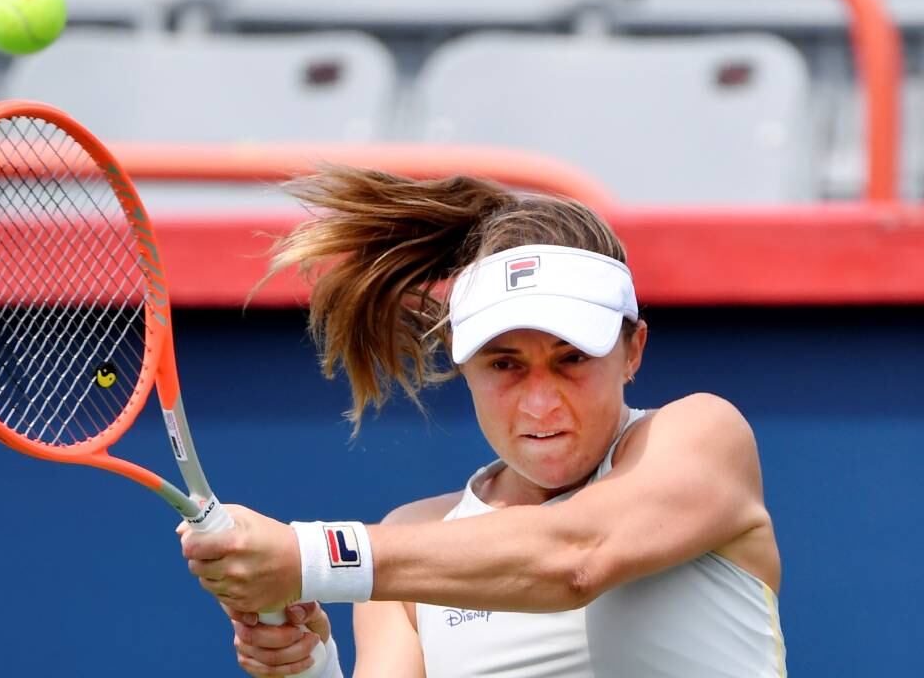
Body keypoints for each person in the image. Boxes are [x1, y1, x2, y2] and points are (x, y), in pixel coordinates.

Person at [178, 167, 787, 677]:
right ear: (464, 366)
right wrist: (306, 665)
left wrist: (308, 555)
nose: (540, 404)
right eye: (505, 365)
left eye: (571, 358)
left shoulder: (702, 436)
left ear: (633, 351)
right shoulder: (413, 538)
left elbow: (574, 557)